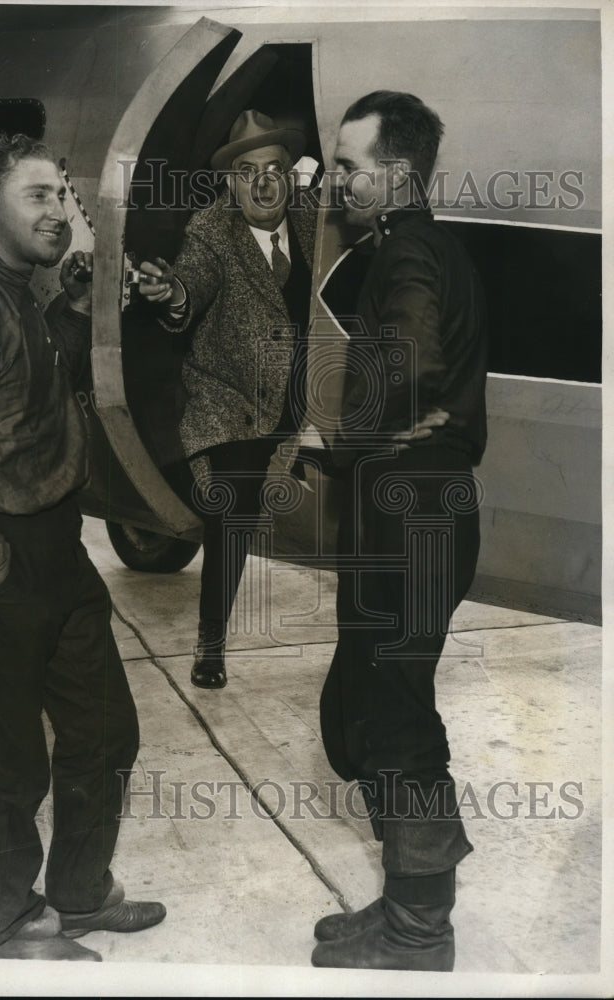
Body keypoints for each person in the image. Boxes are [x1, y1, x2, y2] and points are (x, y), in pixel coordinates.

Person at [0, 132, 165, 961]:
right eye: (39, 196)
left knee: (105, 730)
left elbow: (27, 395)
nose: (60, 213)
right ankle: (8, 921)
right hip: (1, 554)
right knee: (9, 754)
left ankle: (80, 892)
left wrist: (75, 311)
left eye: (62, 195)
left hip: (58, 547)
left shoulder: (20, 294)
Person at [312, 92, 488, 971]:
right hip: (421, 507)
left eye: (348, 167)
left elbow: (410, 361)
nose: (334, 181)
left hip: (412, 512)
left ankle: (420, 930)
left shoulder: (406, 250)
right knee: (373, 705)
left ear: (396, 174)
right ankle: (404, 903)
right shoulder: (430, 245)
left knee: (396, 716)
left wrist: (339, 439)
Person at [138, 109, 317, 690]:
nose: (263, 184)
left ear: (291, 175)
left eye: (273, 169)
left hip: (306, 399)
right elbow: (194, 280)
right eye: (247, 172)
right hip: (233, 400)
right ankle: (210, 643)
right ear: (229, 182)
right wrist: (172, 294)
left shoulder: (318, 222)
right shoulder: (212, 232)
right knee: (232, 510)